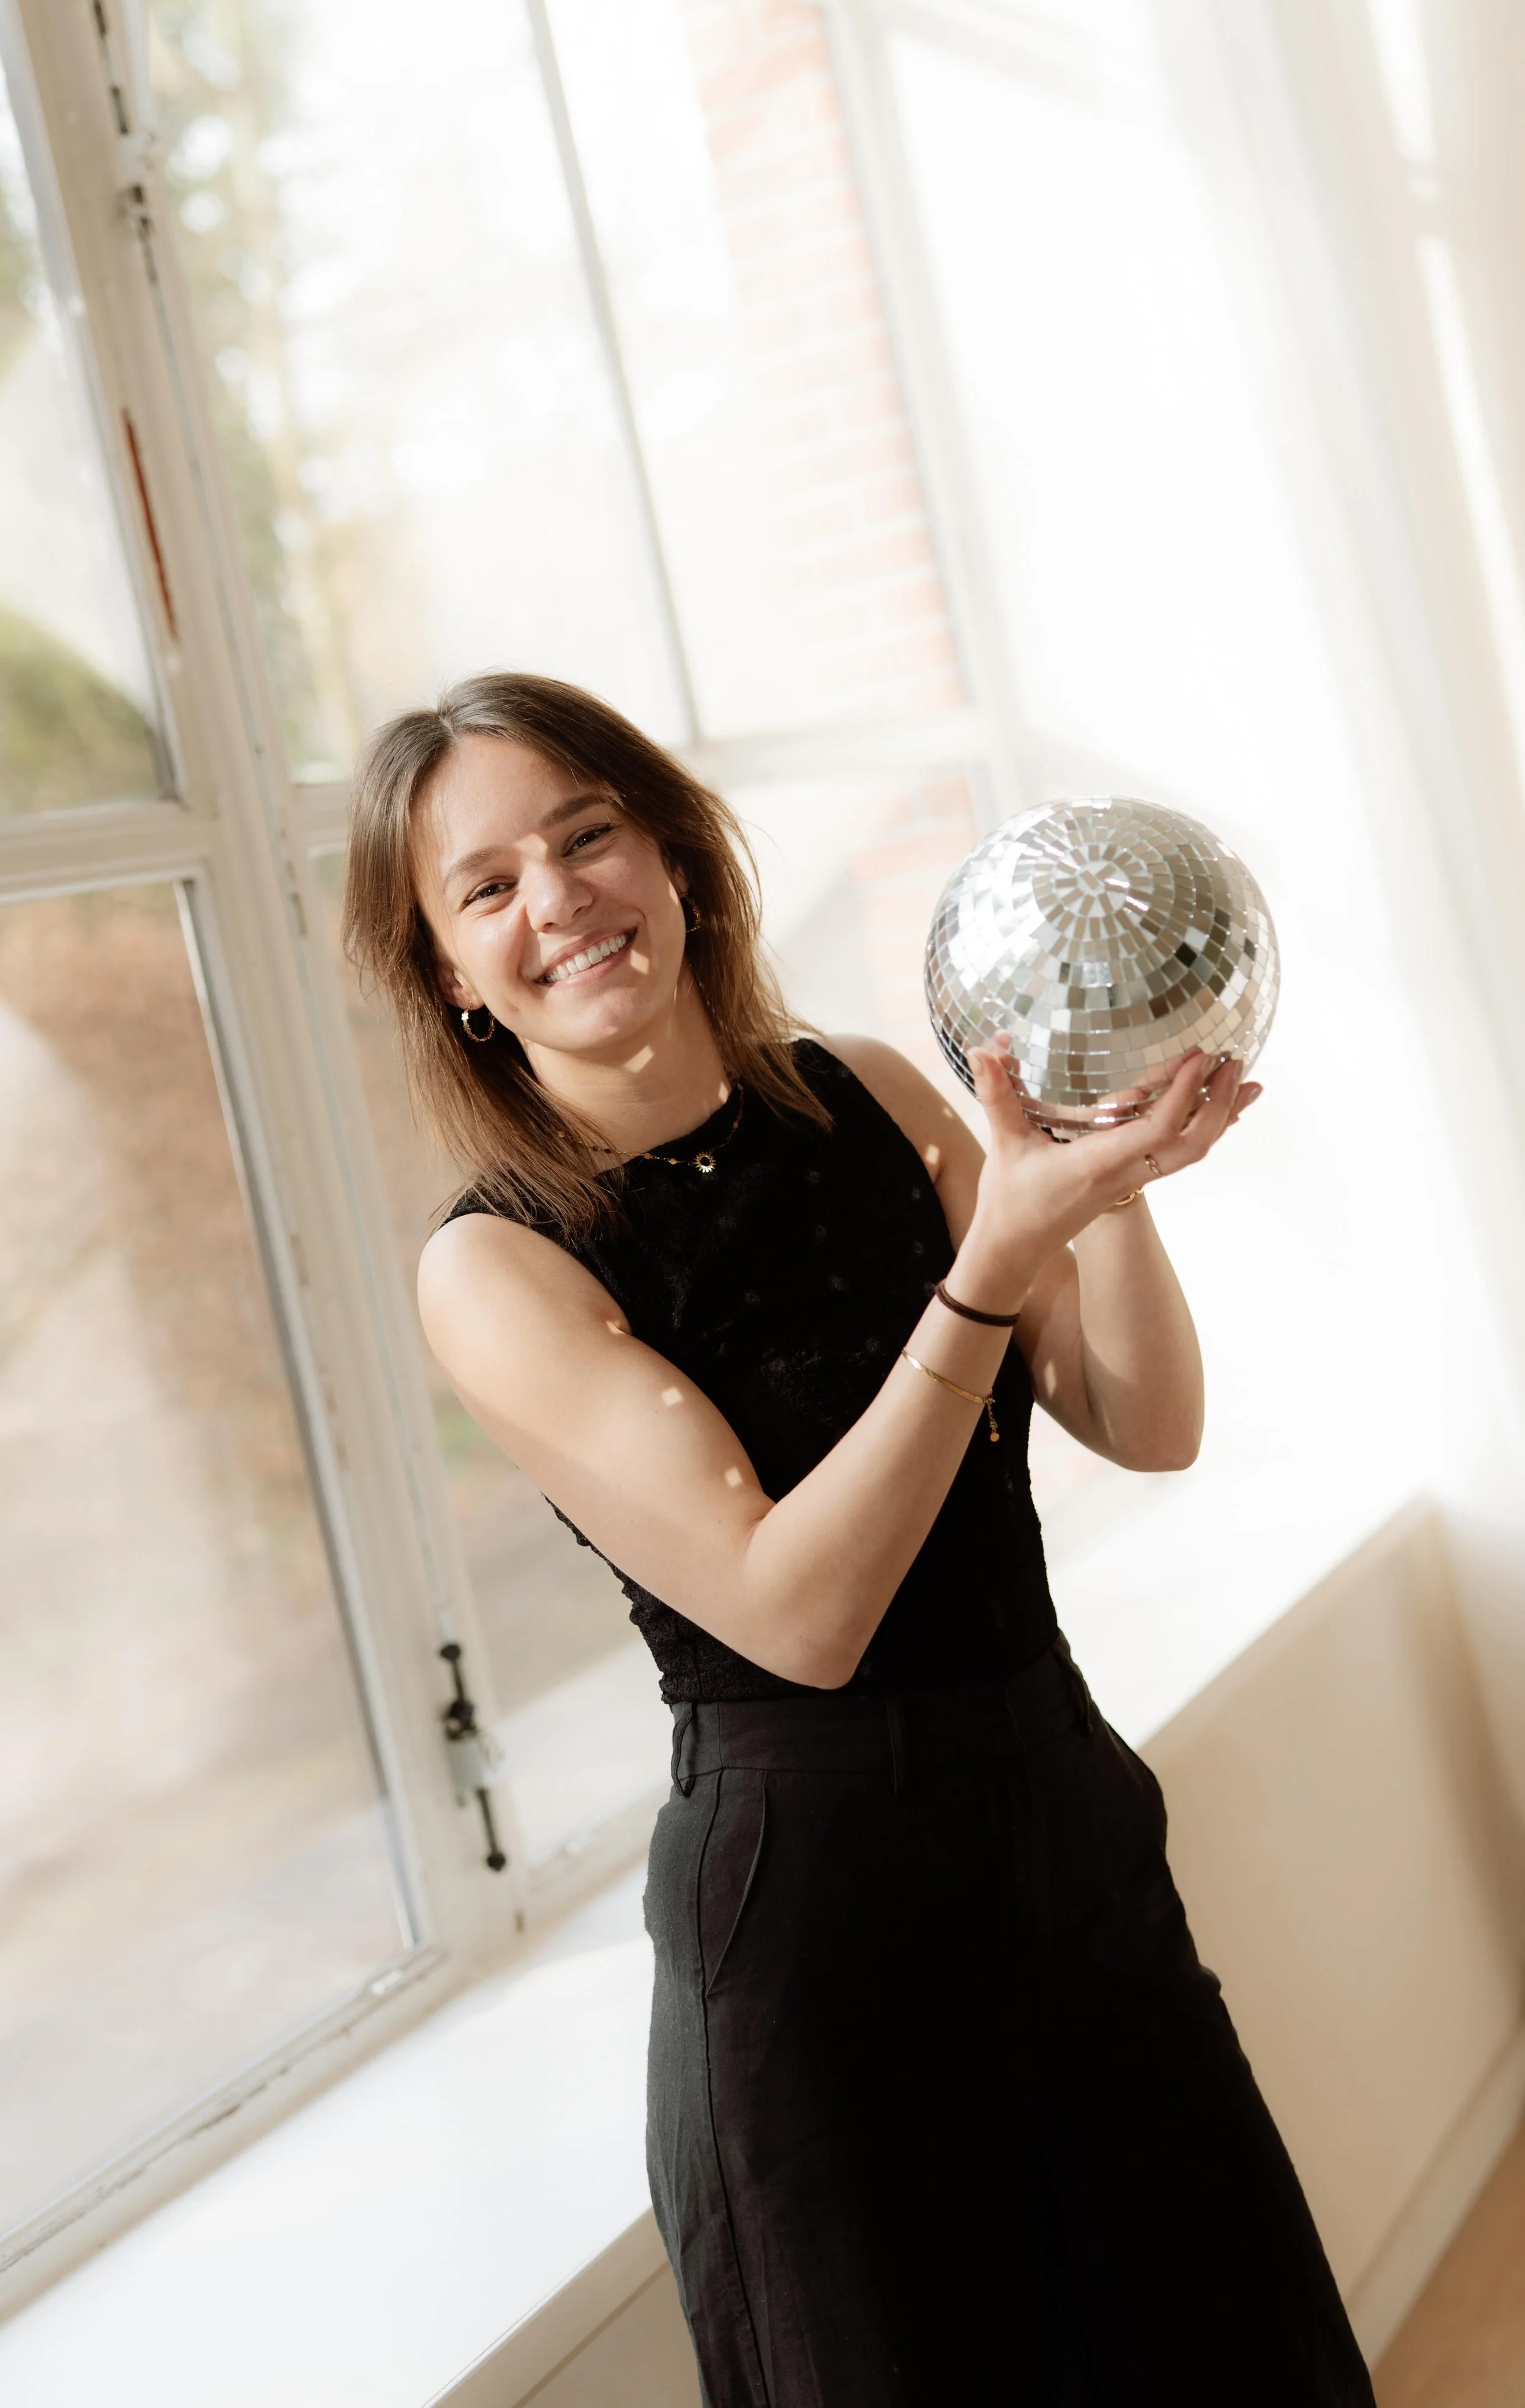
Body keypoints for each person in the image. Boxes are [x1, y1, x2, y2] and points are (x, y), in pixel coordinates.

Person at [344, 670, 1376, 2408]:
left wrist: (1099, 1175)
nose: (560, 900)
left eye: (588, 836)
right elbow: (799, 1616)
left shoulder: (873, 1093)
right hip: (816, 1942)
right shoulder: (496, 1266)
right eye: (489, 885)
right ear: (448, 971)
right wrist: (995, 1260)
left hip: (1067, 1838)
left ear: (675, 854)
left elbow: (1143, 1420)